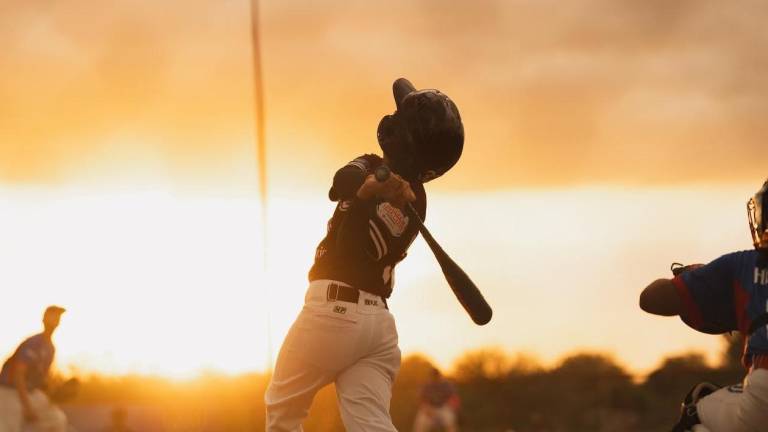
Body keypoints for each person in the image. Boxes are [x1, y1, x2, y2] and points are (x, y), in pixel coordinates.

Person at [265, 77, 465, 432]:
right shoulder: (374, 164)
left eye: (399, 118)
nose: (391, 118)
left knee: (283, 412)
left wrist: (370, 199)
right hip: (375, 330)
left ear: (403, 138)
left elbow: (353, 251)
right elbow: (341, 181)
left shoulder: (411, 203)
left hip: (334, 314)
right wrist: (370, 187)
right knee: (370, 425)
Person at [639, 179, 768, 432]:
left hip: (764, 390)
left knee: (696, 410)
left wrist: (696, 277)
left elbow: (651, 299)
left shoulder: (744, 264)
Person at [0, 306, 69, 432]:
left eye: (57, 317)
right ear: (44, 319)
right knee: (9, 428)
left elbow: (41, 379)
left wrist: (57, 391)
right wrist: (27, 407)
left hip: (30, 392)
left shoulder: (51, 348)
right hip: (9, 391)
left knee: (57, 419)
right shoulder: (34, 342)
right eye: (51, 315)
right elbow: (18, 375)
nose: (55, 319)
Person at [412, 368, 460, 432]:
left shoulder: (446, 384)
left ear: (439, 376)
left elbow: (453, 397)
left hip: (443, 407)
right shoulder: (426, 385)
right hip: (429, 408)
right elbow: (421, 400)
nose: (435, 378)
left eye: (436, 376)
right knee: (420, 423)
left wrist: (453, 407)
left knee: (450, 420)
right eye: (433, 376)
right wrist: (426, 409)